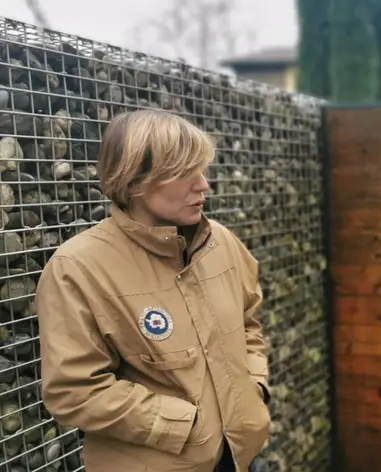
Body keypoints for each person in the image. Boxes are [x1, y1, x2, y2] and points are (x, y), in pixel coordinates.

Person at [34, 110, 271, 472]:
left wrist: (254, 387)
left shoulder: (220, 242)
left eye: (202, 169)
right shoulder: (77, 268)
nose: (203, 185)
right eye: (184, 172)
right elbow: (74, 391)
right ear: (132, 182)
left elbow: (248, 322)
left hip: (243, 454)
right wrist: (185, 425)